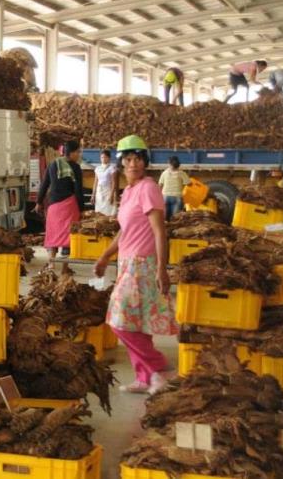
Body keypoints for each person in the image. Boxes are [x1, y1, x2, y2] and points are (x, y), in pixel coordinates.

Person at [94, 135, 176, 395]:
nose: (133, 164)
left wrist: (163, 268)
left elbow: (159, 231)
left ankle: (158, 368)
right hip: (127, 264)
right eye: (128, 159)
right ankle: (145, 378)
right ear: (121, 163)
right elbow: (124, 231)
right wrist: (106, 256)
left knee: (119, 322)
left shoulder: (148, 188)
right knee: (137, 323)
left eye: (138, 159)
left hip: (143, 265)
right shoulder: (129, 191)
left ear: (145, 162)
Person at [34, 141, 84, 259]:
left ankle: (51, 264)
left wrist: (39, 202)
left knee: (53, 235)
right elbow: (78, 190)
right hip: (69, 207)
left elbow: (44, 185)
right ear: (71, 153)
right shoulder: (75, 167)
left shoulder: (53, 164)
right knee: (69, 238)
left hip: (54, 206)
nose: (79, 155)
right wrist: (82, 209)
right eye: (77, 152)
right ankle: (65, 268)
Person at [158, 156, 190, 221]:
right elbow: (188, 183)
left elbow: (160, 185)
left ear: (169, 164)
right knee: (175, 219)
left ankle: (165, 230)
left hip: (165, 197)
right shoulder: (182, 173)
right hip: (177, 197)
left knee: (164, 219)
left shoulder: (165, 173)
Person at [90, 149, 117, 216]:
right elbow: (95, 182)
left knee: (109, 211)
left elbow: (114, 183)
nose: (103, 159)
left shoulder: (112, 168)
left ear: (109, 158)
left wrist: (111, 196)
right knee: (99, 212)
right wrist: (93, 195)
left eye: (105, 157)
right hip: (99, 193)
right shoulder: (97, 169)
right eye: (102, 157)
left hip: (108, 191)